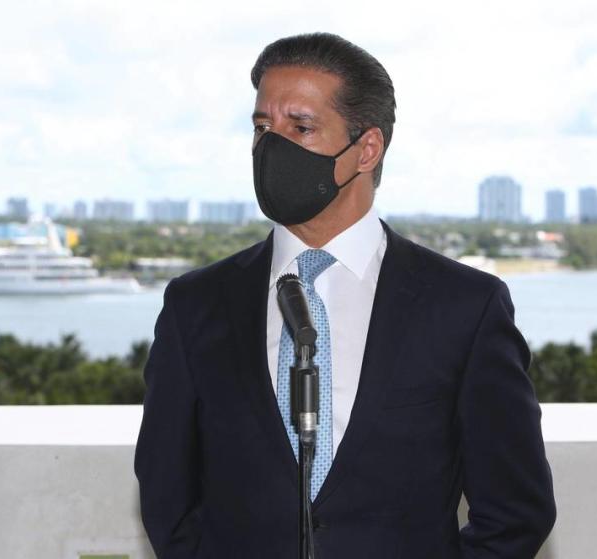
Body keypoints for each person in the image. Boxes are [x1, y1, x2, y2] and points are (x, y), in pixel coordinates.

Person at [135, 32, 556, 558]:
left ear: (366, 149)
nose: (271, 146)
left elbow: (516, 512)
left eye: (301, 127)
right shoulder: (194, 304)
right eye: (262, 126)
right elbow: (166, 495)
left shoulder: (464, 307)